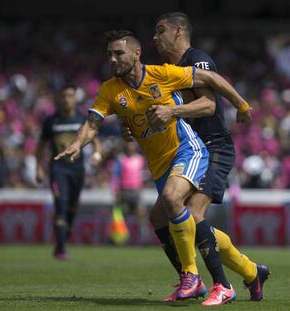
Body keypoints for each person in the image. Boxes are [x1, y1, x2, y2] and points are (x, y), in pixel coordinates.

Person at [54, 30, 251, 303]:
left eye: (118, 53)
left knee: (174, 200)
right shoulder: (110, 90)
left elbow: (210, 78)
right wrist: (77, 144)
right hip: (159, 165)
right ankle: (241, 273)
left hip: (187, 150)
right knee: (159, 219)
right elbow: (92, 123)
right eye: (109, 54)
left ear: (136, 54)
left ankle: (198, 278)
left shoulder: (163, 73)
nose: (112, 59)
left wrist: (240, 103)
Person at [139, 12, 268, 305]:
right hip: (189, 149)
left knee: (194, 218)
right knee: (160, 216)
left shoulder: (196, 59)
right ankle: (244, 273)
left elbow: (209, 105)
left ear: (179, 31)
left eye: (161, 31)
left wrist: (172, 112)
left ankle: (223, 285)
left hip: (213, 148)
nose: (155, 38)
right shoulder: (167, 69)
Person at [35, 84, 102, 260]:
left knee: (72, 208)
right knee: (61, 206)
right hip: (58, 169)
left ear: (75, 98)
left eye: (70, 96)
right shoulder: (51, 121)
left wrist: (97, 153)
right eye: (64, 96)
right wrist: (38, 168)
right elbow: (41, 146)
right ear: (59, 98)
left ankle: (62, 241)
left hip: (77, 169)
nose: (67, 99)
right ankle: (61, 247)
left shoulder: (82, 118)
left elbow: (95, 138)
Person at [110, 141, 148, 244]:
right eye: (129, 144)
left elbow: (144, 174)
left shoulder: (140, 159)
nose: (131, 147)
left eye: (133, 145)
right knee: (122, 217)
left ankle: (143, 240)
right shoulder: (120, 159)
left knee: (141, 215)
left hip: (137, 191)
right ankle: (121, 239)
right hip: (124, 191)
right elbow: (115, 176)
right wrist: (115, 190)